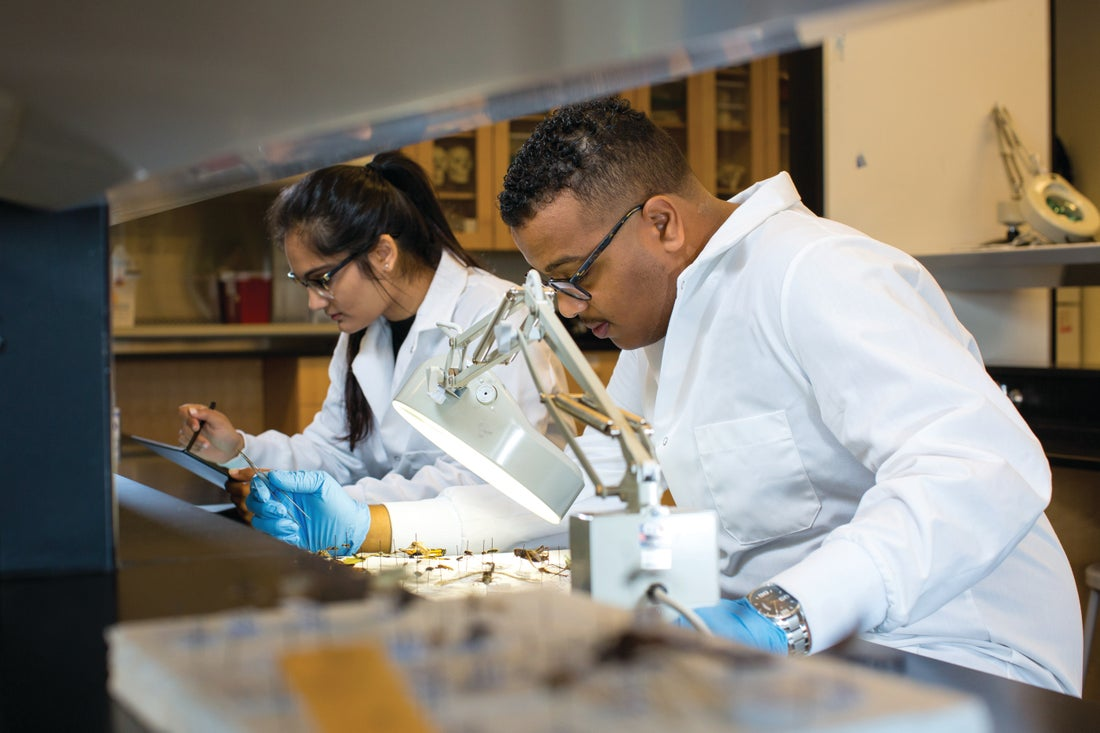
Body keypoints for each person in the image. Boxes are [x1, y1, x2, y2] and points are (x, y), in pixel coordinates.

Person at [491, 97, 1082, 695]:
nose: (566, 308)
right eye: (553, 286)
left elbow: (977, 465)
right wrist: (418, 526)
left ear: (663, 224)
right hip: (817, 653)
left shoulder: (816, 272)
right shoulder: (656, 326)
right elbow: (592, 487)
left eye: (578, 276)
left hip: (956, 648)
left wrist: (779, 616)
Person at [179, 152, 569, 557]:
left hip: (511, 554)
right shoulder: (364, 330)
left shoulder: (496, 317)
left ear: (383, 253)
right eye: (304, 283)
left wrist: (347, 506)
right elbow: (335, 451)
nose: (315, 302)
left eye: (324, 279)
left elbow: (483, 480)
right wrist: (241, 448)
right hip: (411, 549)